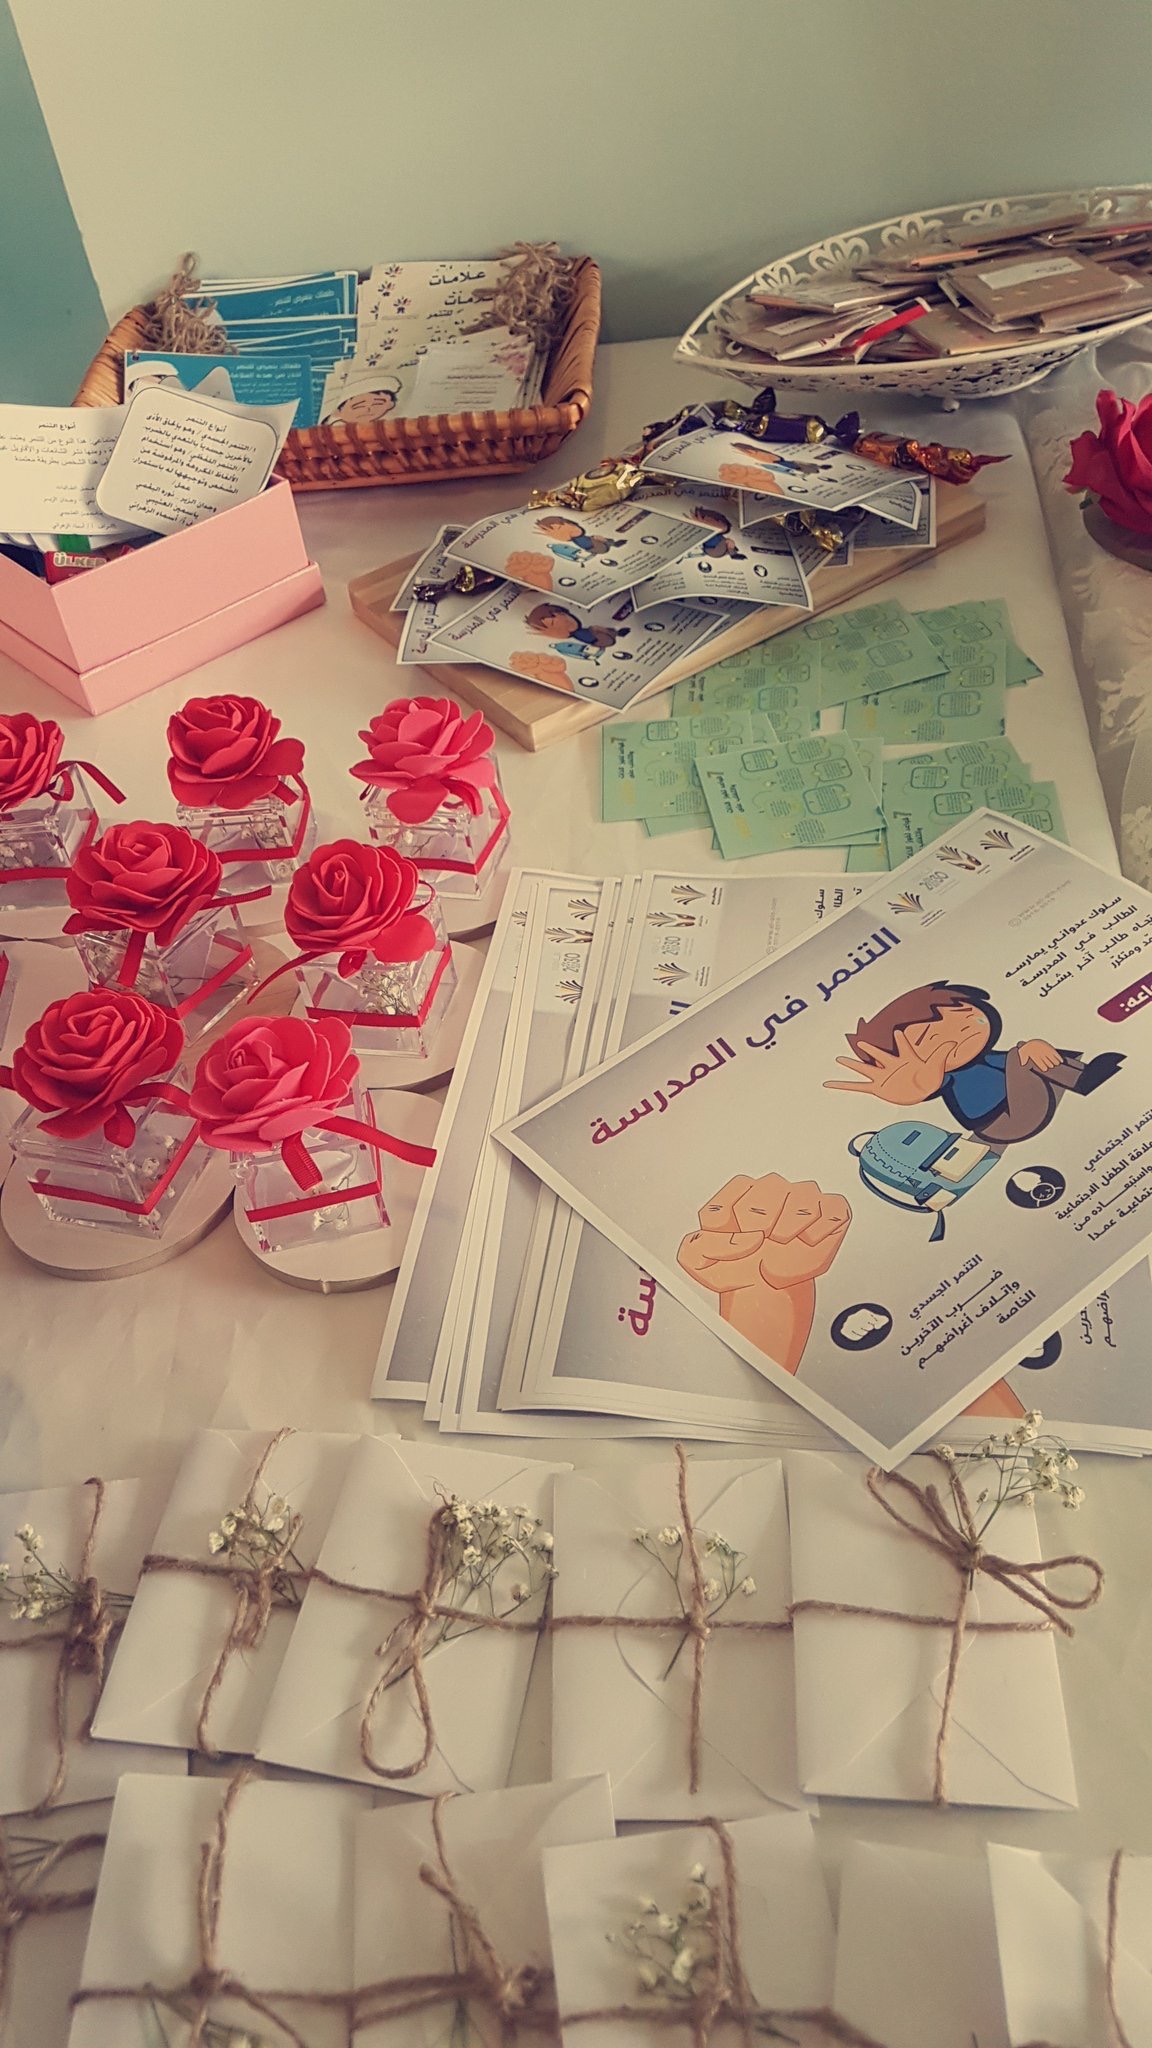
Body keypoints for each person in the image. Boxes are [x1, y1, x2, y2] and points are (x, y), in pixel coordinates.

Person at [825, 980, 1123, 1144]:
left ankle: (1081, 1076)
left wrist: (1034, 1051)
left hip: (1017, 1106)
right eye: (931, 1038)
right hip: (1003, 1123)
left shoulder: (986, 1057)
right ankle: (1083, 1080)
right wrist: (911, 1088)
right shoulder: (945, 1076)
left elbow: (1010, 1064)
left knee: (1024, 1052)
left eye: (965, 1017)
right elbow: (929, 1083)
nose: (961, 1034)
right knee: (1023, 1052)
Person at [524, 602, 626, 657]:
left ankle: (616, 633)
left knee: (595, 629)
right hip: (596, 641)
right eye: (553, 624)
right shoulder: (569, 638)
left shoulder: (592, 629)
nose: (565, 621)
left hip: (597, 637)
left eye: (563, 614)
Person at [534, 515, 617, 560]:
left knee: (596, 538)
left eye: (560, 528)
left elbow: (577, 531)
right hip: (592, 547)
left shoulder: (576, 532)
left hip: (595, 544)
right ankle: (609, 543)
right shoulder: (574, 538)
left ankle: (610, 542)